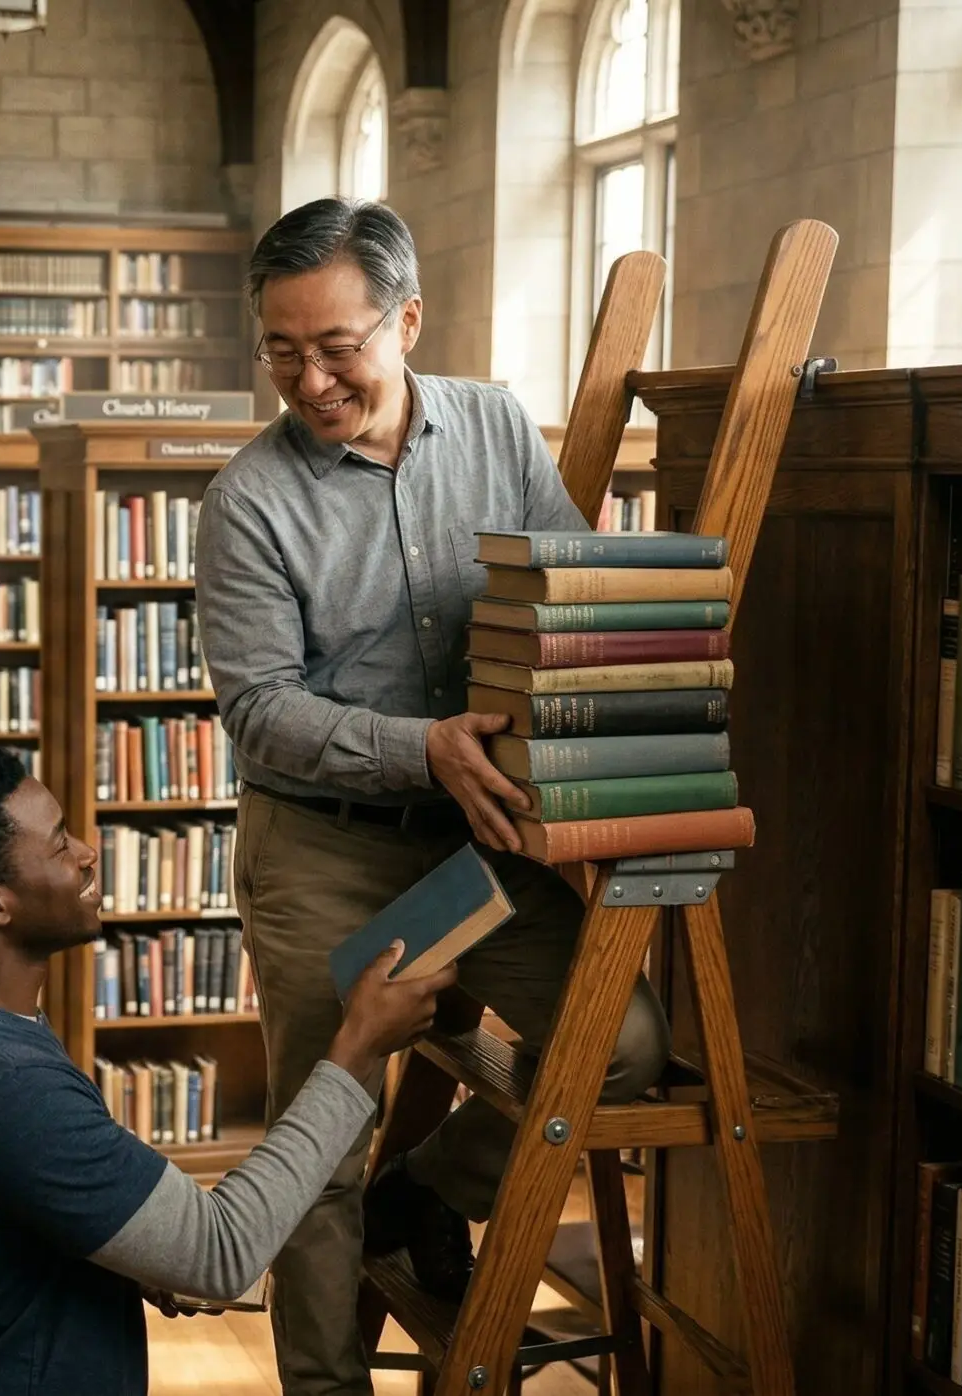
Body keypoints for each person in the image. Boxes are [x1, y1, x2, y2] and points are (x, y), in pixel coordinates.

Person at [192, 197, 673, 1395]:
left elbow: (567, 592)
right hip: (321, 852)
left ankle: (431, 1189)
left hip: (478, 844)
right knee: (321, 1152)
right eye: (281, 351)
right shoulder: (246, 501)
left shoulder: (499, 427)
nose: (308, 381)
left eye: (337, 346)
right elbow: (259, 709)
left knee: (620, 1049)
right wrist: (426, 748)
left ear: (406, 319)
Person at [0, 747, 459, 1396]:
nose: (89, 852)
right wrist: (358, 1051)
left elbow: (4, 1205)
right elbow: (224, 1251)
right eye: (59, 845)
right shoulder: (3, 1082)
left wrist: (128, 1251)